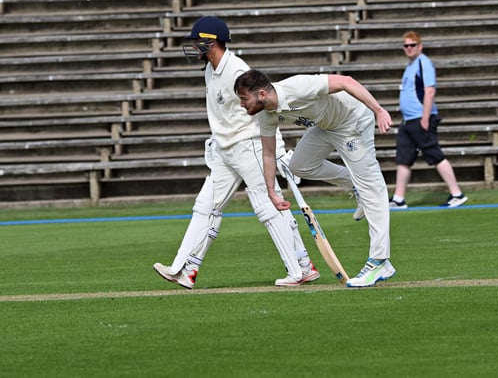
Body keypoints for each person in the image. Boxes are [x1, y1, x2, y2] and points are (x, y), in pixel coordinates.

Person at [153, 16, 320, 288]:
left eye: (198, 41)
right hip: (226, 150)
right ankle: (183, 268)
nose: (194, 46)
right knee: (205, 206)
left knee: (267, 207)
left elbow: (264, 105)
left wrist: (275, 149)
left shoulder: (237, 70)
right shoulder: (210, 69)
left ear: (212, 41)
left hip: (249, 145)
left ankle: (299, 269)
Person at [234, 69, 396, 288]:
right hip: (325, 126)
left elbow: (345, 81)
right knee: (299, 165)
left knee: (372, 187)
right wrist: (271, 191)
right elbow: (268, 153)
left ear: (262, 94)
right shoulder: (266, 114)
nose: (242, 105)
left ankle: (379, 261)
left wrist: (378, 110)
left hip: (352, 119)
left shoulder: (298, 87)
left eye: (244, 98)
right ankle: (355, 184)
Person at [389, 31, 468, 209]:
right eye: (406, 45)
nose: (409, 48)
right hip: (408, 120)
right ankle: (398, 199)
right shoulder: (410, 65)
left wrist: (425, 117)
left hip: (420, 118)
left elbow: (429, 91)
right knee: (403, 158)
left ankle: (457, 193)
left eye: (412, 45)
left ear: (420, 46)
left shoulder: (424, 63)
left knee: (434, 154)